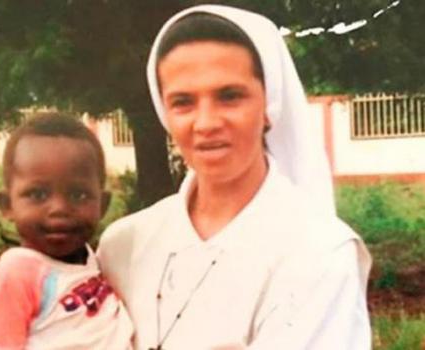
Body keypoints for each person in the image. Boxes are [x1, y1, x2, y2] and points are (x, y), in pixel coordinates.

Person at [98, 5, 371, 350]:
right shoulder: (124, 245)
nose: (207, 123)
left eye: (229, 96)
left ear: (269, 104)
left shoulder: (319, 252)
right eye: (183, 102)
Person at [0, 113, 133, 349]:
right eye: (38, 195)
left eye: (79, 195)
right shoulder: (16, 276)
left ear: (102, 205)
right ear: (7, 205)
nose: (60, 209)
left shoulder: (92, 259)